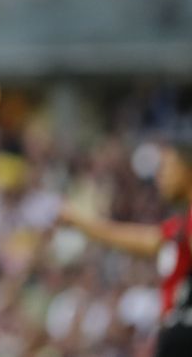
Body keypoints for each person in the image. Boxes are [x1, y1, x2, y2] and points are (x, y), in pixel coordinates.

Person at [59, 133, 192, 356]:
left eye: (167, 167)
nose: (160, 177)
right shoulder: (181, 226)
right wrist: (80, 222)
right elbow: (139, 239)